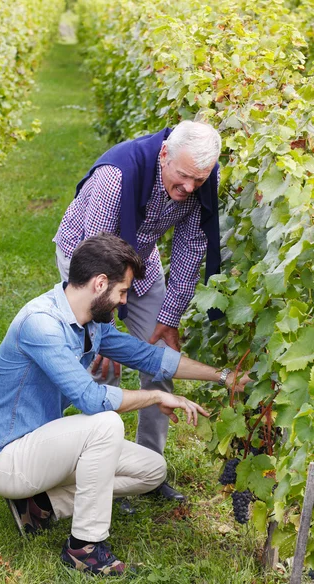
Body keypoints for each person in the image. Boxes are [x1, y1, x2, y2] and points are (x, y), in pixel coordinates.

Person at [0, 233, 249, 576]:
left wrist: (226, 377)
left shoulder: (92, 325)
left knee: (152, 470)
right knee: (105, 423)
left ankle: (40, 505)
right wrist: (156, 395)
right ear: (100, 283)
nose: (123, 302)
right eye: (122, 292)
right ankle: (84, 549)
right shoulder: (42, 324)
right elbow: (91, 399)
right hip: (7, 460)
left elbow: (149, 357)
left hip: (42, 449)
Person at [53, 120, 222, 501]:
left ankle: (147, 470)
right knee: (103, 371)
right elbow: (96, 259)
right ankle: (102, 475)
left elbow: (191, 246)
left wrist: (169, 318)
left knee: (159, 359)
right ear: (164, 154)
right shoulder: (116, 177)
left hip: (140, 257)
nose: (190, 188)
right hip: (86, 259)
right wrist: (104, 330)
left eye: (199, 179)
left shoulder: (198, 176)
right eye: (182, 177)